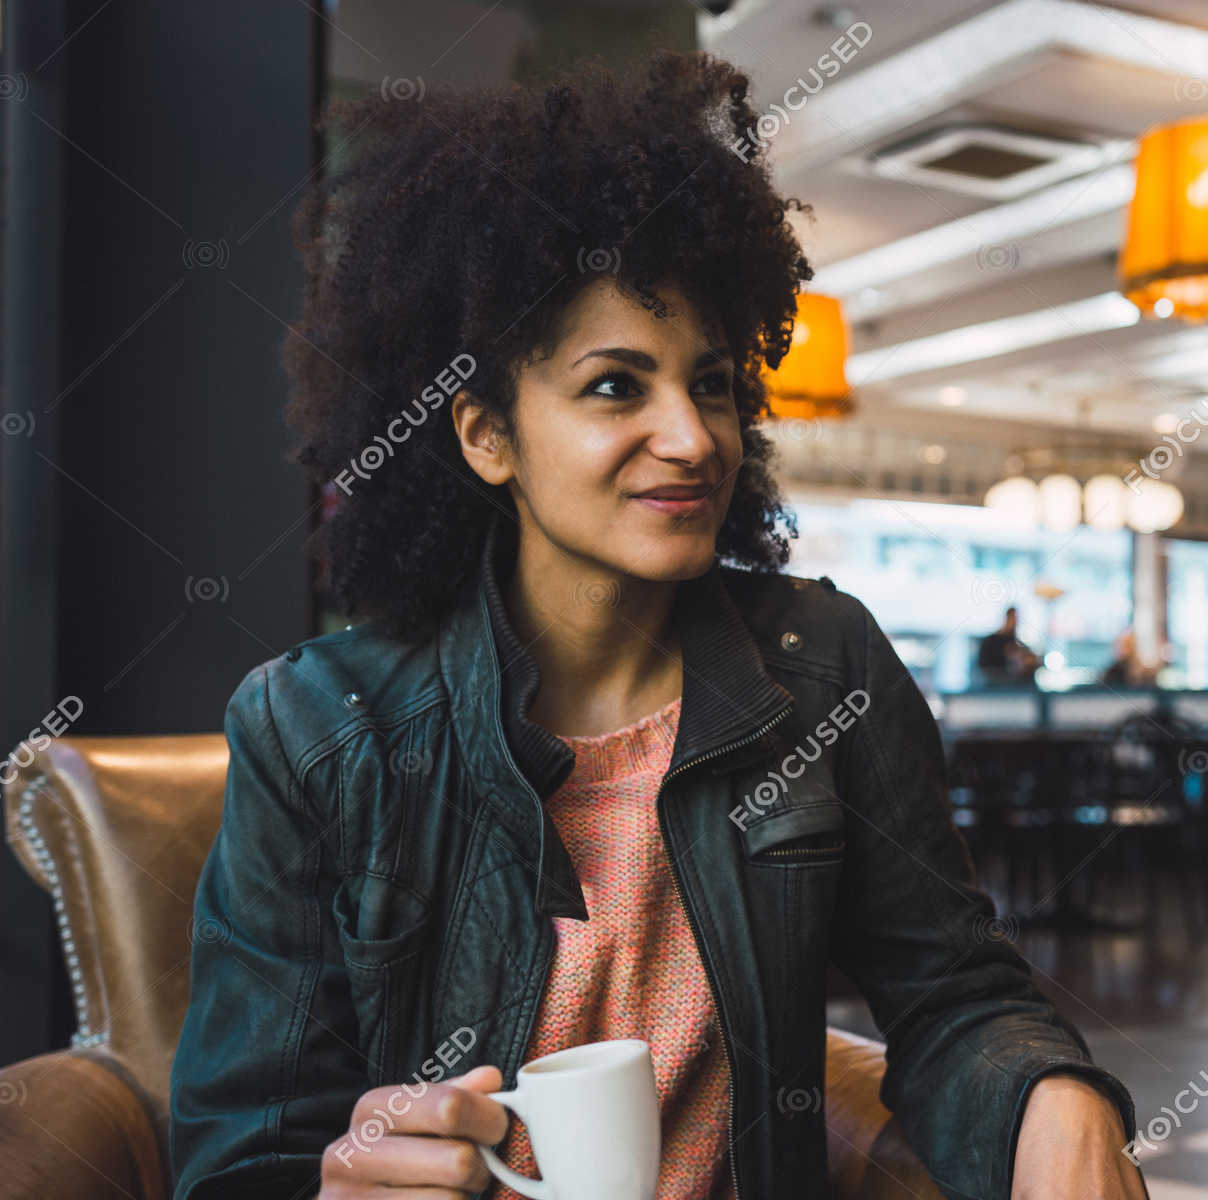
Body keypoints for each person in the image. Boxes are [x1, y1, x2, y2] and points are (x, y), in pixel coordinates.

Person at [166, 52, 1143, 1200]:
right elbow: (240, 1155)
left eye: (714, 382)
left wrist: (1057, 1099)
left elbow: (954, 994)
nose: (691, 436)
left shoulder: (824, 671)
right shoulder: (317, 728)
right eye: (616, 387)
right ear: (485, 436)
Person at [974, 605, 1042, 685]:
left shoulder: (1017, 642)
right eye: (1013, 618)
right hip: (997, 681)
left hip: (1015, 682)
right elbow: (985, 666)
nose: (1015, 622)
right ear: (1007, 618)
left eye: (1017, 619)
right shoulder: (991, 641)